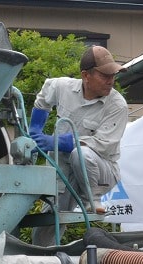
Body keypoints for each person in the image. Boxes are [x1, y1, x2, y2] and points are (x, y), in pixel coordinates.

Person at [29, 45, 128, 246]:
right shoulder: (63, 87)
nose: (111, 80)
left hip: (101, 170)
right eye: (105, 75)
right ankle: (42, 258)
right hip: (64, 169)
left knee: (81, 154)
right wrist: (35, 132)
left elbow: (102, 145)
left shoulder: (117, 105)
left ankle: (92, 200)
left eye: (113, 75)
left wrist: (57, 142)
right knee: (49, 222)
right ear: (86, 75)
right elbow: (43, 97)